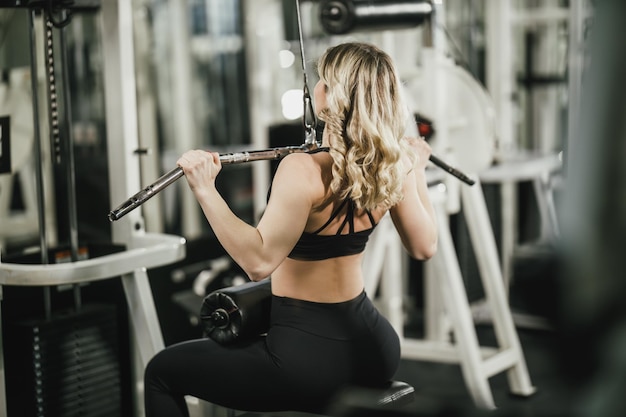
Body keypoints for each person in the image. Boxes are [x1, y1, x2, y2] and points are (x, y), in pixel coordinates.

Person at [143, 42, 438, 417]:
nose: (317, 88)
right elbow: (425, 246)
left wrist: (205, 189)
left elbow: (258, 261)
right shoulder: (394, 162)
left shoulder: (303, 169)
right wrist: (418, 170)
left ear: (331, 95)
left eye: (322, 81)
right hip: (376, 350)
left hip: (307, 361)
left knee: (161, 371)